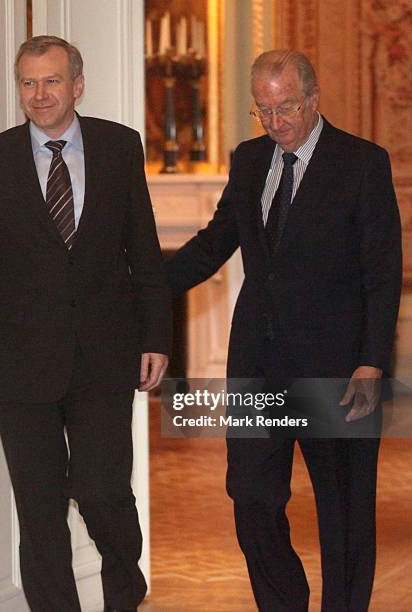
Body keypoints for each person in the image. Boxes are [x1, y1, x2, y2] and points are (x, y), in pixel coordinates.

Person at [0, 35, 171, 612]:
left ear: (77, 85)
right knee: (39, 511)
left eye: (51, 81)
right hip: (23, 367)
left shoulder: (120, 148)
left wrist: (156, 337)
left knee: (102, 491)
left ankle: (126, 595)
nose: (39, 95)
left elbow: (143, 251)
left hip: (105, 359)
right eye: (28, 83)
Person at [166, 50, 402, 611]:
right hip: (259, 366)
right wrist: (142, 282)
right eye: (264, 111)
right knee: (250, 498)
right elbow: (215, 242)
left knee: (344, 514)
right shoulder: (249, 161)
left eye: (287, 107)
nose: (276, 122)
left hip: (338, 369)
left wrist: (372, 360)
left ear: (313, 99)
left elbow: (382, 270)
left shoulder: (362, 163)